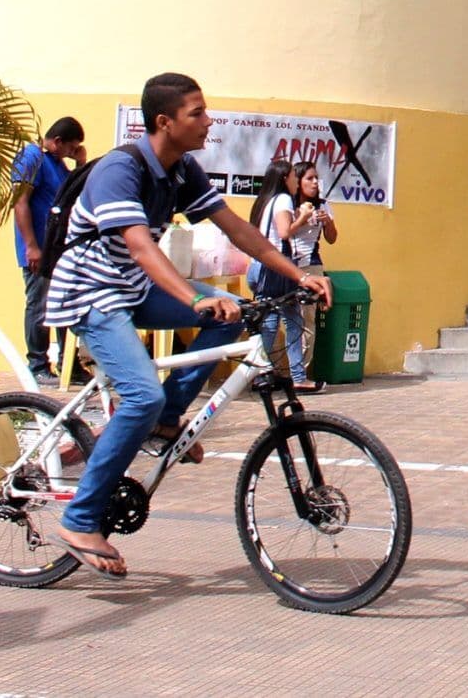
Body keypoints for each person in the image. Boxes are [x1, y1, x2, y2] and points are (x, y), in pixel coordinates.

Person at [46, 73, 332, 579]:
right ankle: (80, 518)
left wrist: (298, 276)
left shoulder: (183, 171)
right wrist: (191, 300)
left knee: (232, 312)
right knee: (140, 394)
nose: (209, 121)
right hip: (90, 295)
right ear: (164, 122)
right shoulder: (120, 170)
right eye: (197, 113)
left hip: (132, 289)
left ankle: (166, 417)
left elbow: (238, 229)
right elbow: (140, 246)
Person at [8, 116, 87, 387]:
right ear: (57, 141)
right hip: (38, 248)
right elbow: (20, 202)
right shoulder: (31, 157)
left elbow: (77, 194)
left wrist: (80, 164)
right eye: (70, 147)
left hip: (59, 249)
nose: (70, 151)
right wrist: (31, 245)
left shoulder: (58, 164)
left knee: (65, 304)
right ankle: (38, 365)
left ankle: (68, 364)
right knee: (39, 306)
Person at [250, 159, 337, 391]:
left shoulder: (269, 200)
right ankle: (280, 374)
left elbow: (332, 237)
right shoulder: (284, 200)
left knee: (286, 320)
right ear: (287, 179)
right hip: (279, 268)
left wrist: (324, 222)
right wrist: (302, 217)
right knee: (282, 322)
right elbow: (285, 232)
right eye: (302, 178)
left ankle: (276, 374)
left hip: (272, 266)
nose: (310, 182)